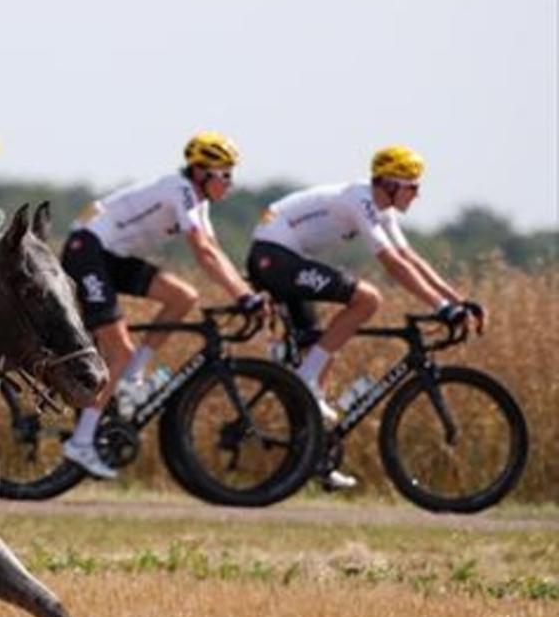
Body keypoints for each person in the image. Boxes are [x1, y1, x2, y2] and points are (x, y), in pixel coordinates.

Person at [246, 145, 482, 488]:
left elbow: (410, 257)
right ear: (389, 184)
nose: (417, 194)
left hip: (284, 257)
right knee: (367, 299)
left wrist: (458, 300)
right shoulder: (360, 201)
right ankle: (306, 384)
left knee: (320, 346)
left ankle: (315, 458)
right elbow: (392, 263)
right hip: (274, 257)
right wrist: (440, 308)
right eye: (412, 186)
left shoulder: (380, 208)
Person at [59, 131, 261, 479]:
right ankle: (81, 441)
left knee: (184, 297)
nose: (230, 183)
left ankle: (133, 373)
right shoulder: (179, 190)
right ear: (201, 173)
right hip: (87, 250)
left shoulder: (197, 202)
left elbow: (214, 251)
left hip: (111, 256)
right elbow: (203, 251)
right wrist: (244, 296)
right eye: (224, 174)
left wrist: (246, 291)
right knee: (118, 350)